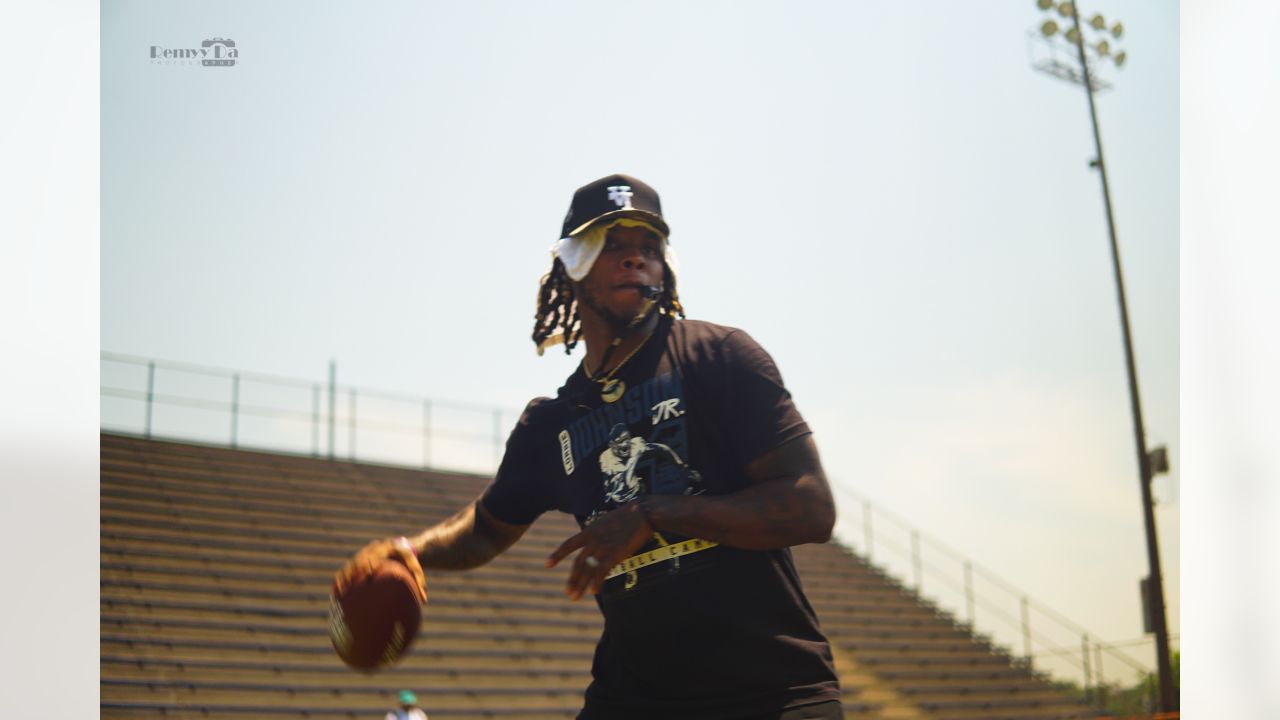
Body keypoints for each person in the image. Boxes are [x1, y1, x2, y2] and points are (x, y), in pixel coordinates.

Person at [339, 174, 843, 719]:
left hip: (772, 694)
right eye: (613, 245)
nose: (635, 260)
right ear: (573, 263)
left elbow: (811, 507)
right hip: (633, 700)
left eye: (648, 247)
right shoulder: (550, 425)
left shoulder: (719, 357)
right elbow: (486, 528)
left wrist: (653, 512)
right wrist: (410, 551)